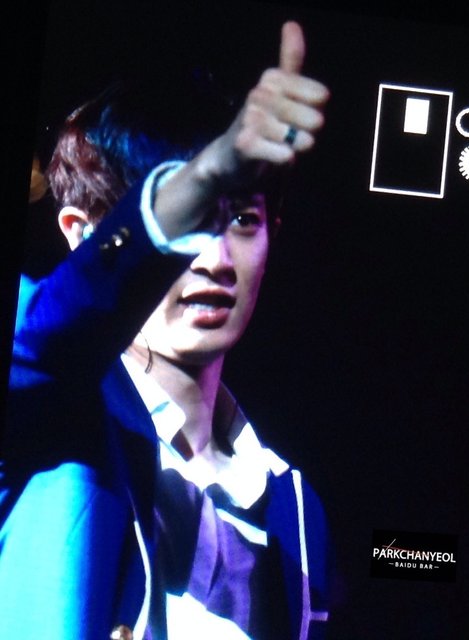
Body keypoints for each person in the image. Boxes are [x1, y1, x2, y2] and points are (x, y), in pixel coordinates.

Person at [0, 21, 332, 640]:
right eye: (192, 217)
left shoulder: (294, 505)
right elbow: (40, 342)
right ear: (81, 233)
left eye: (241, 219)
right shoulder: (49, 415)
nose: (214, 257)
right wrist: (204, 175)